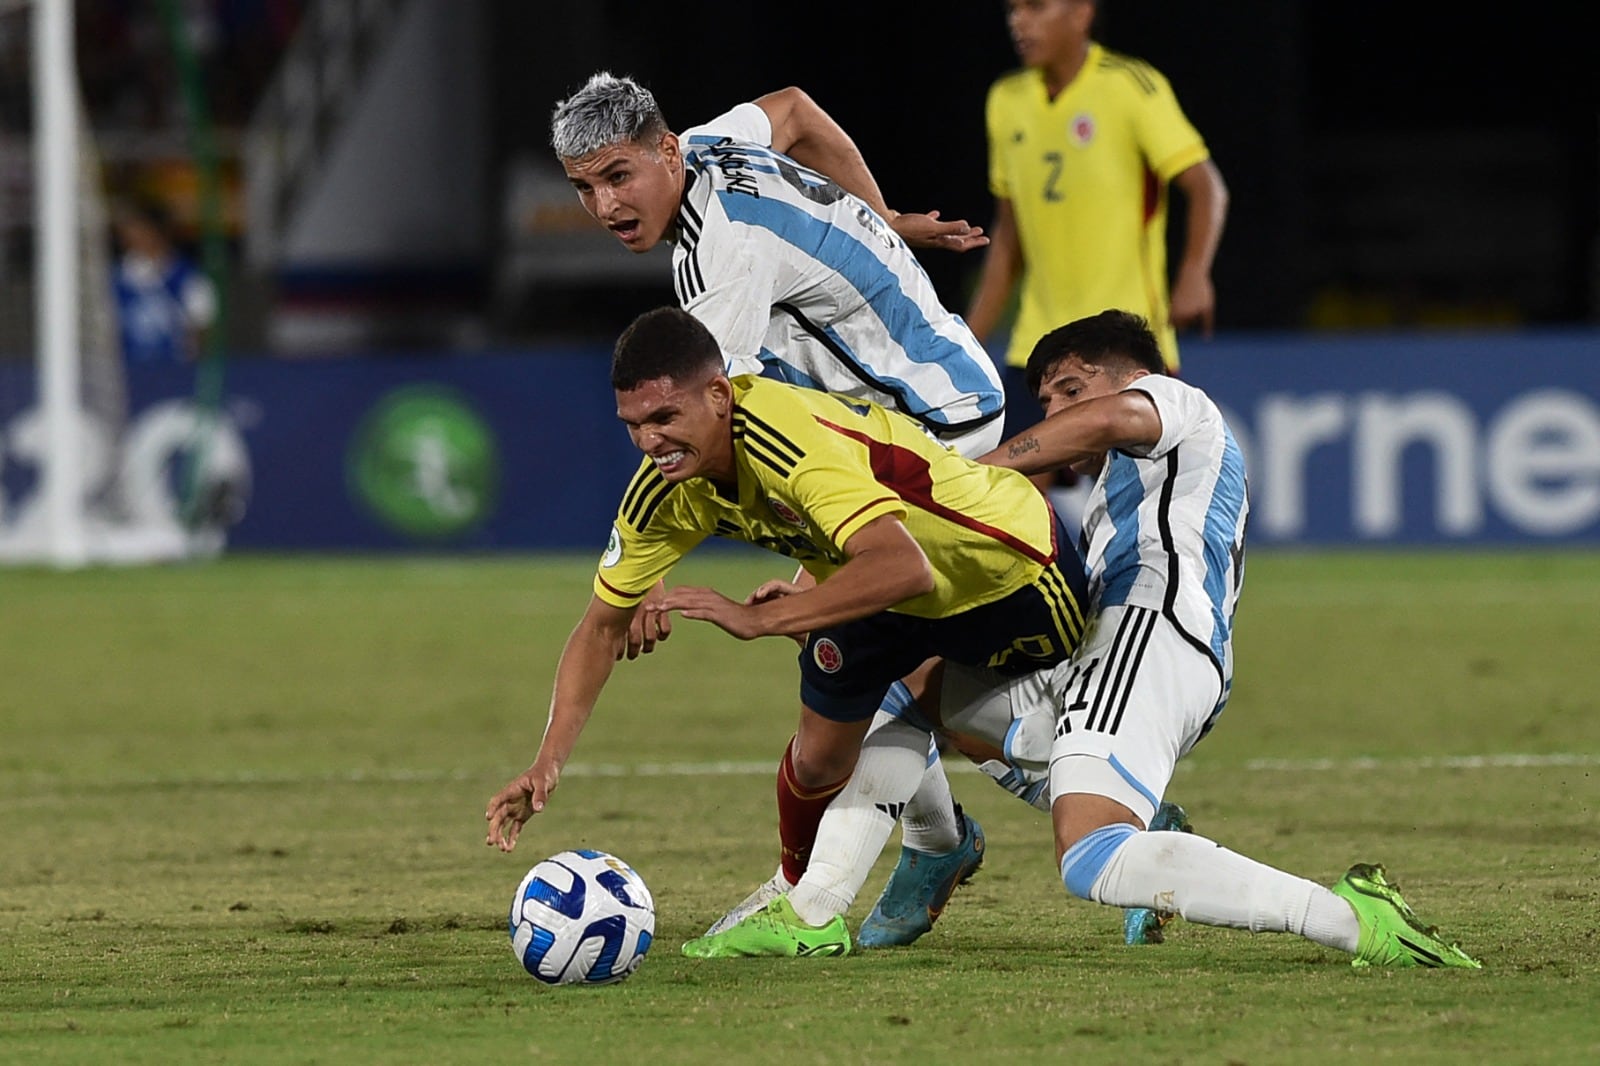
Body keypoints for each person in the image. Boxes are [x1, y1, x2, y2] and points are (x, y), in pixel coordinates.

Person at [548, 72, 1016, 941]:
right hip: (898, 415)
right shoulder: (710, 145)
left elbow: (706, 424)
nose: (604, 204)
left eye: (617, 177)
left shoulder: (722, 261)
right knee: (841, 642)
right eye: (584, 187)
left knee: (853, 653)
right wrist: (876, 231)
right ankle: (946, 833)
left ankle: (829, 893)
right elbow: (797, 109)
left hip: (930, 430)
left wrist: (650, 580)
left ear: (663, 151)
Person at [484, 307, 1091, 962]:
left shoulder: (783, 442)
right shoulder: (664, 490)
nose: (649, 442)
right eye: (632, 426)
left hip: (1008, 573)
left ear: (719, 395)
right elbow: (601, 628)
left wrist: (764, 618)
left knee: (932, 715)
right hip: (883, 585)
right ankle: (800, 890)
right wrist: (546, 763)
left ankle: (1097, 811)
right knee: (819, 756)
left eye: (664, 419)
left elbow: (903, 562)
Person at [962, 309, 1476, 969]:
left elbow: (1110, 417)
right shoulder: (1119, 490)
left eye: (1069, 389)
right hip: (1128, 650)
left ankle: (1351, 920)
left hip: (1146, 632)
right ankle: (917, 853)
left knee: (1089, 855)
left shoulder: (1176, 402)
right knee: (925, 681)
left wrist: (982, 472)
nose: (1058, 410)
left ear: (1128, 377)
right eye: (1047, 400)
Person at [965, 0, 1228, 512]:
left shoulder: (1130, 86)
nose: (1019, 21)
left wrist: (1195, 273)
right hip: (1034, 351)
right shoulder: (1006, 100)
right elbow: (1009, 238)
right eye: (1013, 9)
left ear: (1082, 13)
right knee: (1009, 517)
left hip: (1123, 352)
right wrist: (967, 340)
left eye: (1036, 7)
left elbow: (1206, 187)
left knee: (1145, 516)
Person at [110, 197, 217, 364]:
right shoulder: (114, 278)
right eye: (128, 232)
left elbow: (202, 331)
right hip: (126, 374)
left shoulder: (188, 278)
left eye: (139, 230)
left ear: (157, 231)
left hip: (173, 373)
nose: (132, 237)